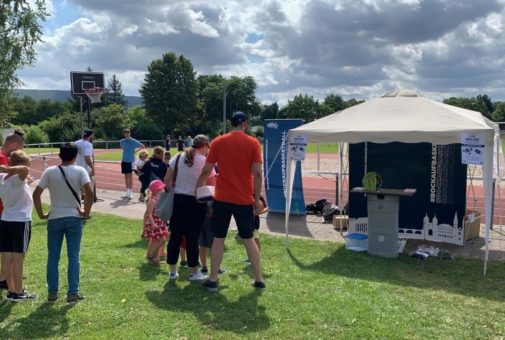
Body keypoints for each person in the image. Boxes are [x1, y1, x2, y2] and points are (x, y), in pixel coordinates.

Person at [196, 111, 265, 292]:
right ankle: (259, 279)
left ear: (231, 123)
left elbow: (206, 170)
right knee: (249, 239)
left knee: (218, 239)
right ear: (246, 124)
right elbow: (258, 173)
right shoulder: (253, 143)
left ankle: (212, 279)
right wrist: (256, 199)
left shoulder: (218, 141)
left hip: (222, 198)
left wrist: (198, 189)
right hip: (243, 199)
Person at [32, 143, 94, 303]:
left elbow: (36, 194)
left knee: (53, 256)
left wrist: (41, 214)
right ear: (75, 156)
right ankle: (73, 292)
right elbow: (89, 191)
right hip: (73, 217)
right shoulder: (80, 170)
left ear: (60, 155)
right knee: (74, 256)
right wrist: (85, 212)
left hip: (55, 217)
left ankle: (52, 292)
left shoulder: (50, 171)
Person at [165, 135, 214, 281]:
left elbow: (166, 179)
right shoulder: (205, 161)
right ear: (204, 145)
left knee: (175, 236)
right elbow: (212, 185)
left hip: (178, 200)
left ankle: (172, 271)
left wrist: (175, 186)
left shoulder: (178, 156)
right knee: (193, 237)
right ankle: (194, 271)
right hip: (196, 201)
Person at [0, 150, 35, 301]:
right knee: (18, 258)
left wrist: (26, 180)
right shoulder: (15, 176)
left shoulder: (2, 178)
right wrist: (9, 168)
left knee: (7, 257)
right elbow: (23, 171)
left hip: (6, 220)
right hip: (20, 221)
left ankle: (12, 290)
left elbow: (19, 178)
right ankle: (19, 291)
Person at [0, 132, 24, 291]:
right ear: (14, 145)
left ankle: (5, 276)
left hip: (5, 208)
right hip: (4, 209)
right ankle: (3, 277)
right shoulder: (2, 158)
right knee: (6, 248)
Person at [142, 180, 169, 266]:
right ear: (157, 190)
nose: (164, 189)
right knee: (162, 240)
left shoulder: (159, 199)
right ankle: (151, 255)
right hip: (155, 224)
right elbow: (149, 214)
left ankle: (155, 256)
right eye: (162, 188)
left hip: (161, 222)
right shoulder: (153, 201)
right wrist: (153, 224)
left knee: (157, 239)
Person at [119, 128, 145, 199]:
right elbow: (121, 147)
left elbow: (142, 146)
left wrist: (135, 151)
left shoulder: (133, 141)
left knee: (130, 177)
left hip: (131, 161)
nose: (126, 134)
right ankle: (127, 192)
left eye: (128, 133)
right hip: (124, 161)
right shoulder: (122, 141)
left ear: (129, 133)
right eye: (125, 133)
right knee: (126, 177)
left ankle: (130, 193)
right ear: (124, 134)